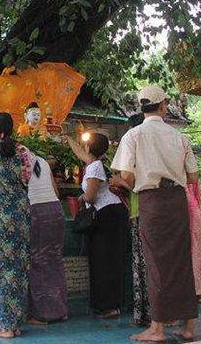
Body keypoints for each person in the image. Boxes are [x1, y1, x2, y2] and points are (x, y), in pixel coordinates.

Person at [111, 85, 198, 342]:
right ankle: (188, 325)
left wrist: (132, 182)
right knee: (182, 260)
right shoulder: (179, 137)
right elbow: (192, 177)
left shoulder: (133, 136)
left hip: (151, 201)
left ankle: (157, 328)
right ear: (164, 105)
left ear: (141, 107)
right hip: (177, 201)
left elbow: (125, 176)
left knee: (156, 263)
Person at [0, 112, 36, 339]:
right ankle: (16, 323)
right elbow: (27, 179)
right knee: (19, 267)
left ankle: (4, 326)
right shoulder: (23, 152)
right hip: (21, 211)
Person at [79, 133, 129, 319]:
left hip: (107, 215)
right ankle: (109, 305)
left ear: (89, 148)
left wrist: (82, 197)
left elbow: (91, 196)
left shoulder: (94, 167)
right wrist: (67, 139)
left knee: (105, 261)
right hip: (110, 214)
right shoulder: (96, 164)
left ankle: (110, 306)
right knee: (106, 260)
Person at [109, 113, 150, 326]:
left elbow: (134, 184)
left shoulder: (134, 148)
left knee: (142, 265)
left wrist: (119, 182)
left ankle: (146, 313)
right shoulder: (156, 148)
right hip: (156, 211)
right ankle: (159, 313)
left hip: (140, 212)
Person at [26, 154, 68, 325]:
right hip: (55, 210)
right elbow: (56, 192)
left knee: (37, 260)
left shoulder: (21, 163)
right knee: (55, 259)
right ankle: (61, 310)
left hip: (36, 211)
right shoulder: (41, 161)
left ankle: (43, 314)